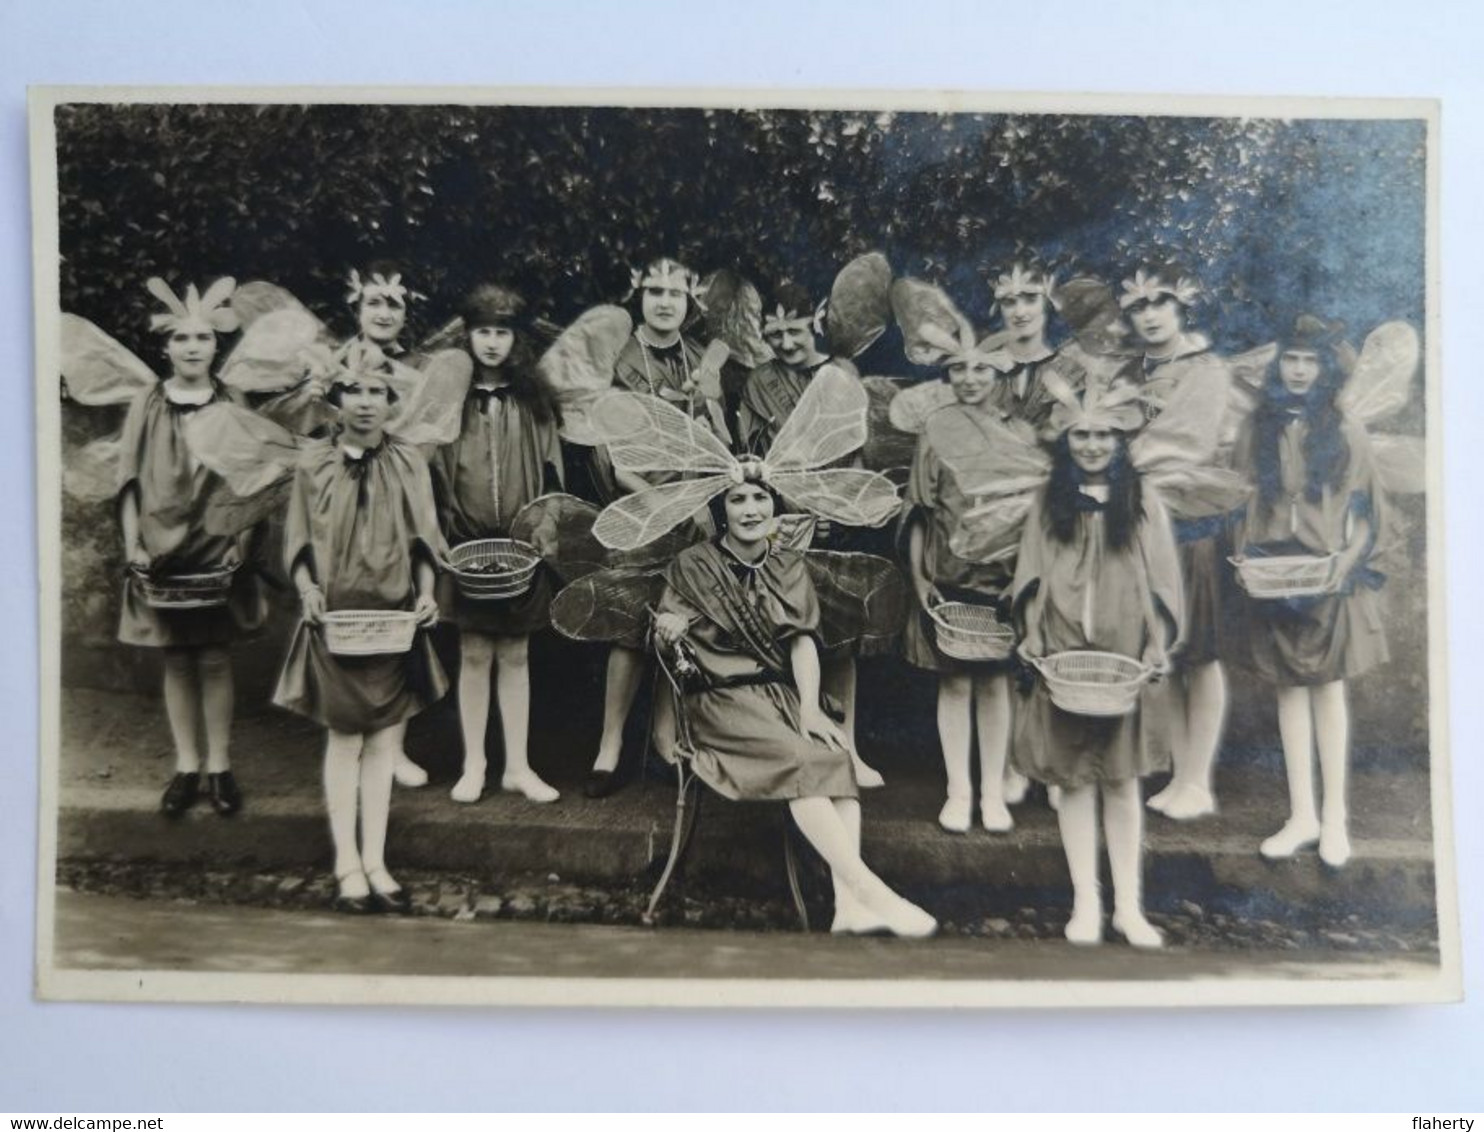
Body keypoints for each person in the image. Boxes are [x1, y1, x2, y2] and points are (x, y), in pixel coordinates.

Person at [652, 474, 936, 938]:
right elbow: (671, 646)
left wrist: (810, 708)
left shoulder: (787, 563)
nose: (749, 509)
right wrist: (667, 628)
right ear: (719, 509)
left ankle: (849, 908)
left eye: (760, 498)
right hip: (721, 703)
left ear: (774, 506)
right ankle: (876, 895)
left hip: (781, 696)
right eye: (737, 499)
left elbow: (802, 642)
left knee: (833, 755)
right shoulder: (693, 563)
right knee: (804, 760)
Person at [271, 363, 448, 913]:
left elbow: (423, 539)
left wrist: (425, 594)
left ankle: (376, 859)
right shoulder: (314, 463)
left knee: (382, 740)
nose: (366, 402)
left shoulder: (408, 462)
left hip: (392, 622)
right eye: (355, 391)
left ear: (391, 401)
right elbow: (299, 541)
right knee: (345, 738)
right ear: (335, 400)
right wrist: (306, 590)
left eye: (377, 392)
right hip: (337, 622)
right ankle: (346, 861)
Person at [1012, 383, 1183, 948]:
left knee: (1121, 779)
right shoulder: (1047, 499)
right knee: (1073, 779)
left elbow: (1160, 577)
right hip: (1064, 646)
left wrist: (1158, 643)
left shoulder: (1142, 499)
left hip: (1123, 647)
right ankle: (1086, 900)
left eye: (1103, 434)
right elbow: (1032, 570)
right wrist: (1031, 634)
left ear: (1120, 439)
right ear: (1066, 440)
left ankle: (1129, 907)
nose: (1091, 444)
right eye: (1081, 434)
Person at [1235, 320, 1390, 868]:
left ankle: (1336, 819)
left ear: (1325, 369)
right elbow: (1240, 500)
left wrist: (1343, 566)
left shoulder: (1345, 427)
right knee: (1289, 690)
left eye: (1310, 361)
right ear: (1278, 365)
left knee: (1328, 691)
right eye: (1290, 359)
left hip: (1330, 576)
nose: (1299, 370)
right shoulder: (1259, 427)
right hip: (1278, 577)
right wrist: (1248, 558)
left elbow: (1368, 511)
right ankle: (1301, 814)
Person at [117, 277, 265, 818]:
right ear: (166, 347)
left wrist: (242, 542)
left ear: (215, 346)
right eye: (182, 339)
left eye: (203, 338)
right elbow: (129, 481)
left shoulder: (233, 400)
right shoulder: (146, 403)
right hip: (161, 547)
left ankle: (221, 765)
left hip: (216, 545)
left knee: (215, 657)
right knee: (177, 657)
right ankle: (186, 765)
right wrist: (133, 540)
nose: (193, 347)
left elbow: (251, 477)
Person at [584, 257, 727, 796]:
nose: (665, 302)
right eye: (654, 292)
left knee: (677, 624)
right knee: (628, 629)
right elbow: (615, 459)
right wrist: (666, 503)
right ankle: (610, 746)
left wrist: (707, 402)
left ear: (690, 301)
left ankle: (667, 742)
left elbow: (717, 444)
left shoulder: (699, 357)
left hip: (694, 508)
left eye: (676, 293)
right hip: (640, 502)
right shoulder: (621, 360)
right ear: (638, 296)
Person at [737, 281, 883, 787]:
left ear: (816, 319)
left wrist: (838, 510)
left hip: (835, 525)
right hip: (780, 530)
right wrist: (777, 513)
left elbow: (858, 451)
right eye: (773, 334)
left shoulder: (841, 374)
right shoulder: (760, 381)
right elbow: (752, 458)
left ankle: (848, 751)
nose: (785, 343)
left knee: (839, 640)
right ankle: (800, 747)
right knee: (788, 637)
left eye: (794, 330)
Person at [431, 285, 565, 804]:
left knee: (515, 654)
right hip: (465, 541)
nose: (491, 343)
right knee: (473, 654)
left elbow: (551, 467)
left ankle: (517, 764)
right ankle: (474, 764)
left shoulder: (532, 399)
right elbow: (431, 468)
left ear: (516, 339)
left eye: (502, 333)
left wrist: (543, 530)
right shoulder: (452, 399)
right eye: (483, 332)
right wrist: (438, 532)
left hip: (519, 543)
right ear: (467, 336)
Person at [1116, 265, 1233, 821]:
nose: (1150, 315)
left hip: (1188, 526)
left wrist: (1135, 460)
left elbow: (1189, 443)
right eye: (1139, 307)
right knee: (1163, 650)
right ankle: (1178, 774)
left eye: (1160, 302)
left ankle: (1198, 778)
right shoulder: (1129, 371)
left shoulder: (1205, 369)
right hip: (1140, 527)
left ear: (1180, 307)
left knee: (1200, 655)